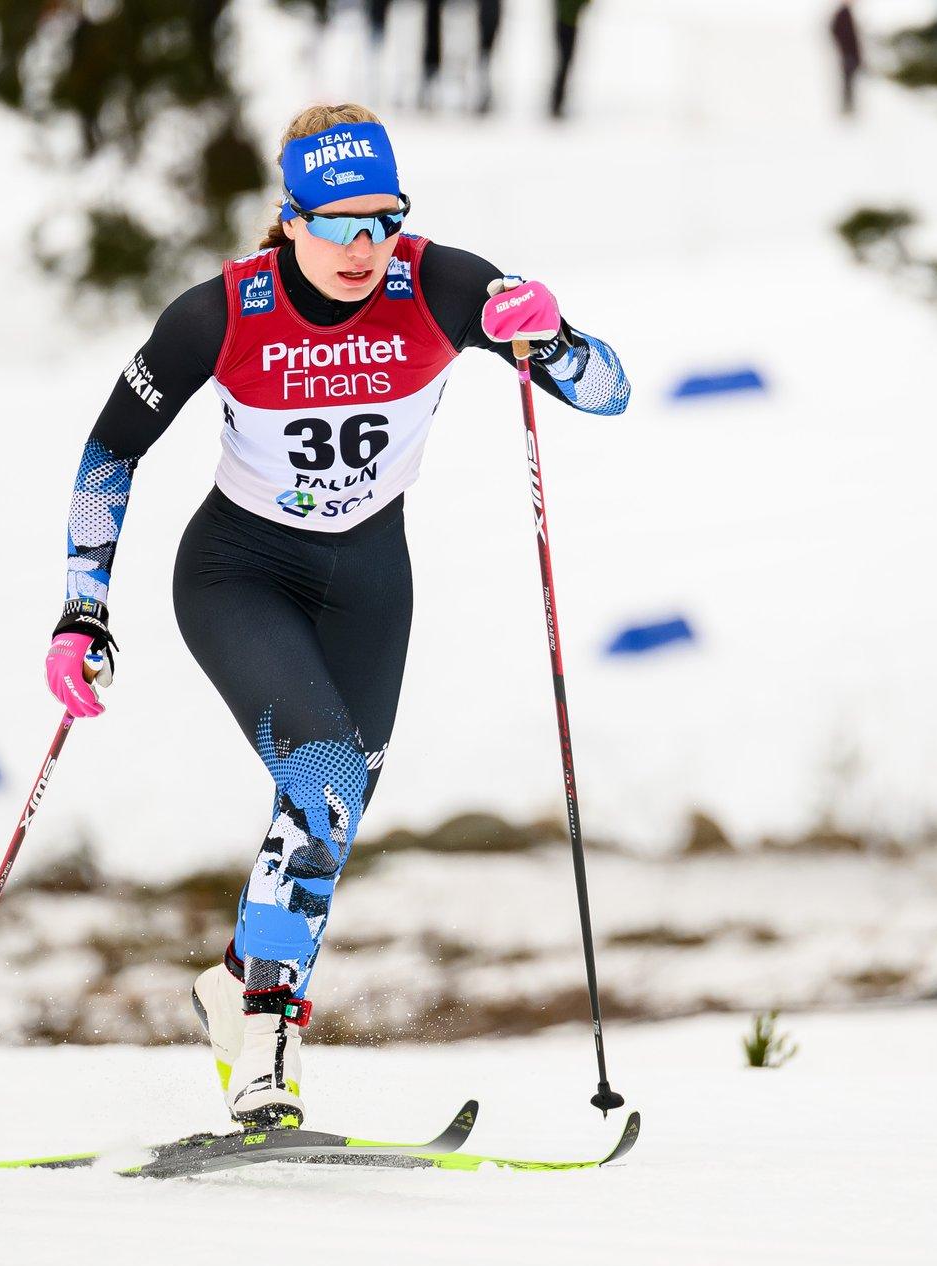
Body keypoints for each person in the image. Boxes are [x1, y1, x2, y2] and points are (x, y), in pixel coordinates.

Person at [43, 104, 629, 1130]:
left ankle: (234, 985)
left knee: (333, 811)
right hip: (239, 571)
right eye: (337, 224)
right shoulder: (219, 313)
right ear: (289, 220)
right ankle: (266, 1044)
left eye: (382, 220)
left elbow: (607, 392)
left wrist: (554, 336)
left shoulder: (442, 284)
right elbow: (109, 452)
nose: (364, 248)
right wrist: (80, 609)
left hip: (369, 581)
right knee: (319, 779)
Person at [830, 1, 862, 119]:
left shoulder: (846, 14)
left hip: (850, 55)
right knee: (847, 81)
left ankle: (849, 105)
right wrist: (845, 50)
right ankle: (847, 106)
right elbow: (838, 32)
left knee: (850, 81)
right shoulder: (843, 14)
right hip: (848, 55)